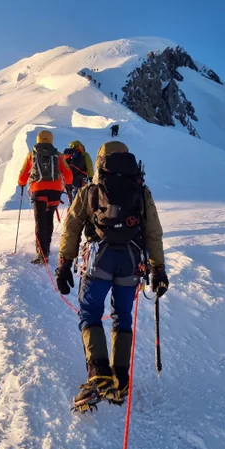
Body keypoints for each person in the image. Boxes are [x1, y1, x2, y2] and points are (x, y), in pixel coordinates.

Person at [55, 141, 168, 412]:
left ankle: (99, 373)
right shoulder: (141, 191)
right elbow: (153, 231)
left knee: (90, 314)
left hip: (99, 260)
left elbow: (71, 228)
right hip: (131, 262)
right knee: (122, 316)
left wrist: (63, 263)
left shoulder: (89, 191)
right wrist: (158, 270)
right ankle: (121, 379)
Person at [18, 130, 72, 263]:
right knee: (49, 218)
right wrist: (66, 183)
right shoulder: (58, 155)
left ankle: (41, 252)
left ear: (38, 140)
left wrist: (22, 183)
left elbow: (22, 175)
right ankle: (46, 247)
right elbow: (69, 177)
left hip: (38, 191)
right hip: (55, 190)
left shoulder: (32, 155)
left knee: (40, 220)